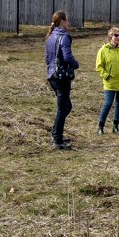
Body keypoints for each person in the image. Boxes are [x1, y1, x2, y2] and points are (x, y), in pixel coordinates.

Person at [44, 11, 79, 150]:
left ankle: (56, 132)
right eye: (67, 20)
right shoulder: (63, 37)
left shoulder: (50, 36)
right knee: (63, 108)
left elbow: (47, 57)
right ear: (62, 21)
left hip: (51, 75)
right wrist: (76, 64)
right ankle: (57, 139)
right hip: (61, 76)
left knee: (66, 106)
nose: (68, 23)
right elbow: (67, 57)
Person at [94, 27, 119, 135]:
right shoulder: (103, 50)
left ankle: (116, 126)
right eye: (116, 35)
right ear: (110, 36)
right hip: (110, 83)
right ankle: (100, 126)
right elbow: (99, 66)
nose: (118, 38)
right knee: (108, 104)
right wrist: (106, 76)